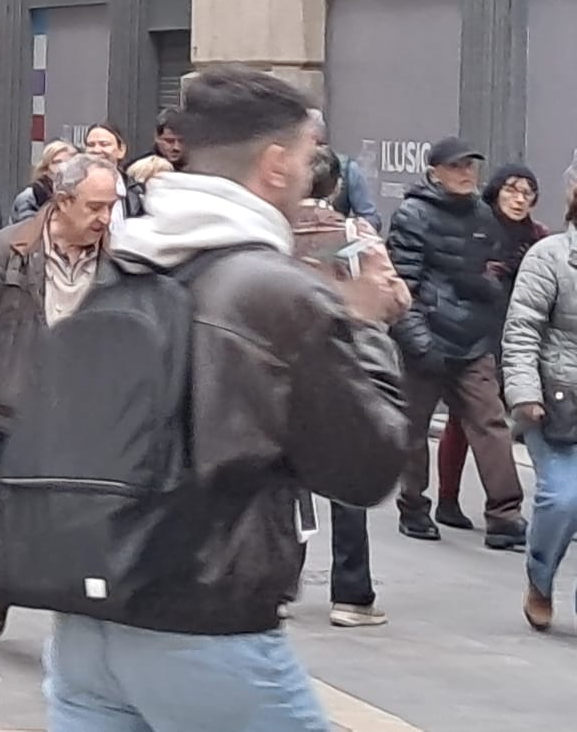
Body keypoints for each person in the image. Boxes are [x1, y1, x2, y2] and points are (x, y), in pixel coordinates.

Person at [41, 65, 411, 731]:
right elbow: (369, 466)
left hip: (87, 626)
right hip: (202, 627)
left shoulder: (131, 262)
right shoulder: (270, 291)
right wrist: (363, 324)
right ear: (274, 165)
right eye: (306, 157)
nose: (310, 174)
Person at [0, 152, 119, 641]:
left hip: (88, 407)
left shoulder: (120, 258)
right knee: (17, 508)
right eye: (96, 207)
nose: (105, 219)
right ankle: (3, 585)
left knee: (86, 509)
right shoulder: (8, 249)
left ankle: (82, 607)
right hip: (21, 403)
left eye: (112, 207)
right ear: (62, 202)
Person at [287, 142, 409, 629]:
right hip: (342, 360)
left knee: (283, 480)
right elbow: (393, 295)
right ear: (336, 187)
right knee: (346, 477)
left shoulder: (272, 230)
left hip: (283, 358)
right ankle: (351, 595)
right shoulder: (353, 233)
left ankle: (279, 586)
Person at [386, 136, 526, 547]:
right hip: (426, 337)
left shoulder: (483, 215)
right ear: (435, 172)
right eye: (457, 166)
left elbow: (492, 267)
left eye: (470, 166)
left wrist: (490, 288)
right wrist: (417, 341)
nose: (466, 174)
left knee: (490, 423)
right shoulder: (413, 214)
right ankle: (413, 507)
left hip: (472, 340)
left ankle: (505, 515)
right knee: (413, 428)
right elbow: (401, 285)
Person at [434, 162, 544, 531]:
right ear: (496, 191)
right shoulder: (478, 228)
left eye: (527, 193)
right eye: (511, 190)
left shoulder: (538, 239)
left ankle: (541, 509)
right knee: (464, 421)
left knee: (522, 421)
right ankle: (447, 500)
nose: (519, 199)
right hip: (475, 335)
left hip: (521, 338)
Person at [503, 212, 577, 631]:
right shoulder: (548, 257)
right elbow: (521, 332)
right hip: (555, 403)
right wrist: (525, 394)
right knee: (564, 498)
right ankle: (540, 577)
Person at [10, 140, 76, 224]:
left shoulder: (75, 194)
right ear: (46, 169)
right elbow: (29, 230)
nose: (63, 167)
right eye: (57, 162)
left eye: (68, 163)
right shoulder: (30, 196)